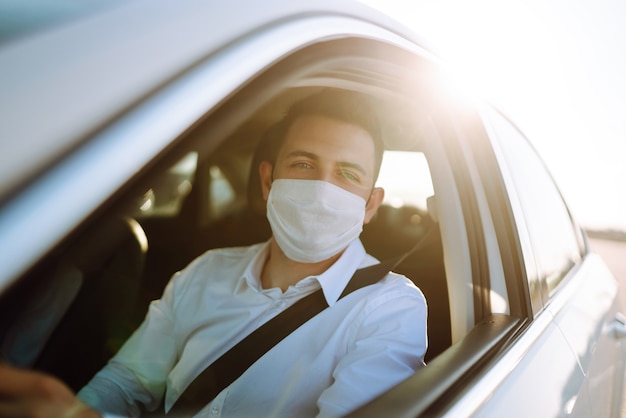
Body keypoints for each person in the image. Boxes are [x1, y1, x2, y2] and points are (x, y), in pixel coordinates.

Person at [0, 88, 427, 417]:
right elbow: (128, 380)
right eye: (303, 164)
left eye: (347, 174)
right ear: (266, 182)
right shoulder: (203, 272)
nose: (322, 189)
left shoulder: (389, 308)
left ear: (371, 204)